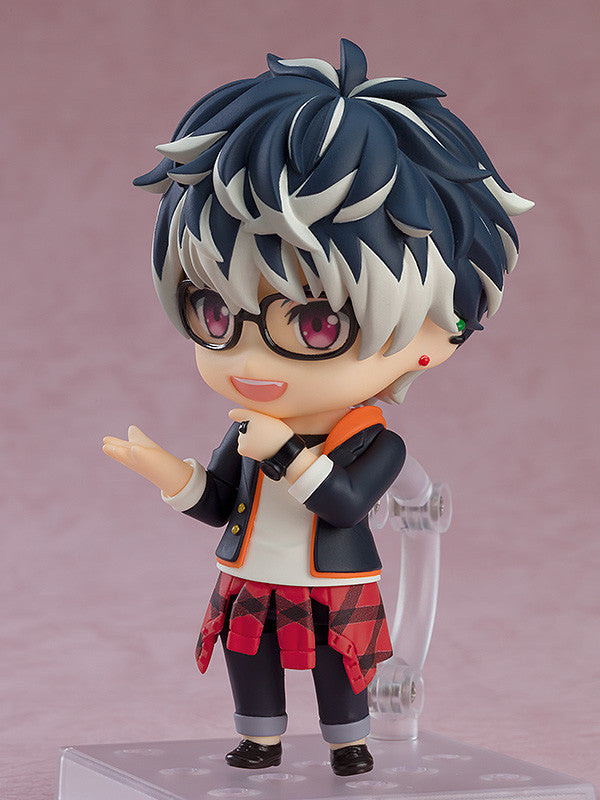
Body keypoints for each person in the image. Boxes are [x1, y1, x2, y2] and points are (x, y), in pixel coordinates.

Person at [102, 39, 532, 776]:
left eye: (315, 325)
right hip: (250, 575)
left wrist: (282, 450)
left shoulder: (375, 442)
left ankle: (349, 741)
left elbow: (345, 503)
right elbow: (220, 502)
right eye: (214, 314)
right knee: (250, 657)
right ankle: (260, 737)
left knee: (340, 665)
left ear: (435, 334)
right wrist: (168, 473)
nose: (248, 362)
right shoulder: (247, 429)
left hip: (334, 580)